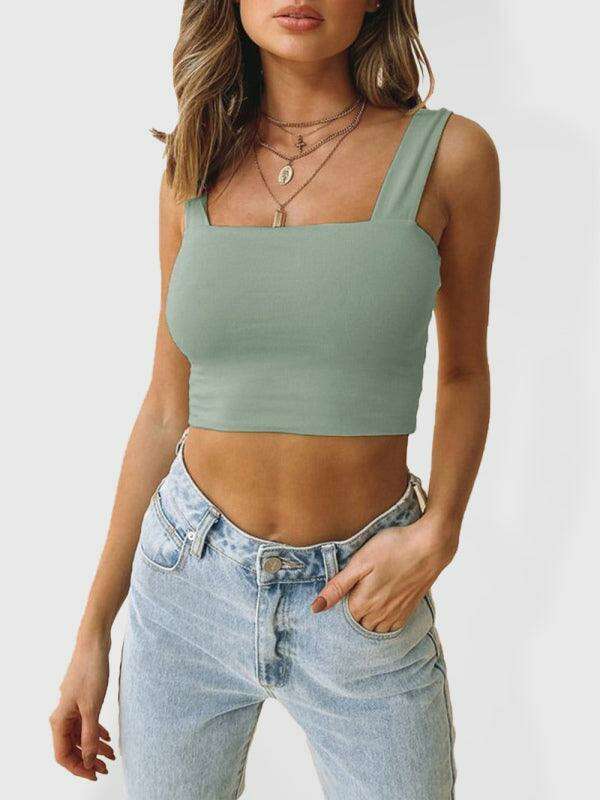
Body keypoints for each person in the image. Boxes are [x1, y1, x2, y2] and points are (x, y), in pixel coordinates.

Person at [49, 2, 500, 798]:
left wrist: (441, 530)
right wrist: (92, 631)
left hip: (362, 597)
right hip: (186, 588)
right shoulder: (192, 166)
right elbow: (165, 407)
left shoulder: (450, 155)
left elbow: (464, 370)